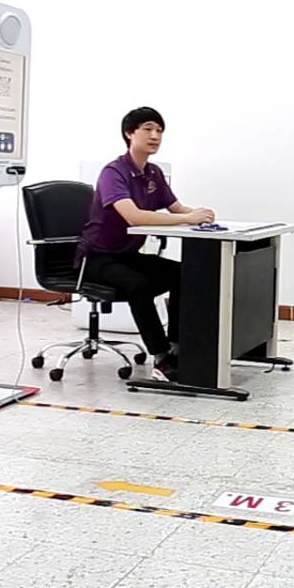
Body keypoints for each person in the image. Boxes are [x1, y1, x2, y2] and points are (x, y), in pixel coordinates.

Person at [79, 107, 215, 382]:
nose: (155, 136)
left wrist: (200, 215)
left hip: (128, 254)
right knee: (138, 285)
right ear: (130, 133)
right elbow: (134, 216)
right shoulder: (113, 173)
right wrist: (187, 218)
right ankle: (161, 356)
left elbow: (177, 208)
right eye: (148, 129)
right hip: (97, 258)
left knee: (183, 274)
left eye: (160, 131)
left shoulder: (153, 173)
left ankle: (177, 346)